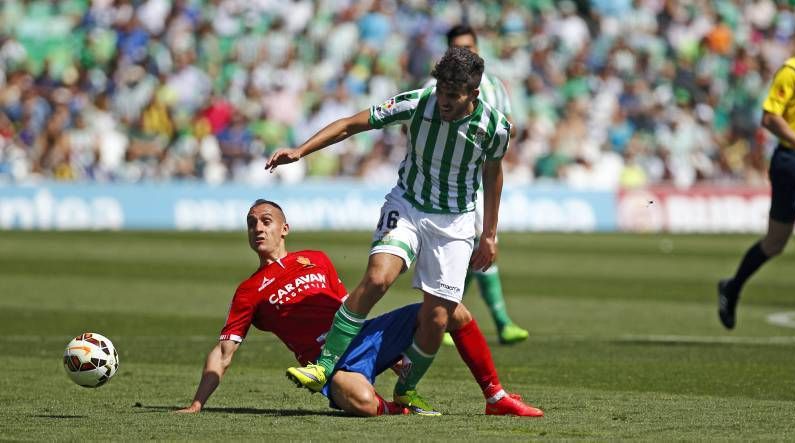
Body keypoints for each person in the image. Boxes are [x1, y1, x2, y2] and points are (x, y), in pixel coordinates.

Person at [267, 47, 513, 412]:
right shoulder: (417, 103)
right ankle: (323, 366)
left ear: (473, 95)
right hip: (408, 204)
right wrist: (302, 151)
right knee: (379, 278)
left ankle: (407, 388)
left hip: (455, 221)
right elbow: (352, 123)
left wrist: (489, 234)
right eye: (441, 91)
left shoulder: (495, 128)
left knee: (438, 316)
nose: (443, 101)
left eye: (453, 95)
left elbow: (493, 175)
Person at [176, 199, 543, 417]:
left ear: (284, 228)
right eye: (251, 223)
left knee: (450, 308)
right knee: (363, 403)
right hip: (330, 363)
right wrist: (197, 404)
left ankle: (495, 396)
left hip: (365, 336)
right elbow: (224, 352)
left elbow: (347, 305)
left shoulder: (315, 259)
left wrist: (393, 350)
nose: (258, 228)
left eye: (266, 221)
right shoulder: (249, 291)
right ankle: (399, 407)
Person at [435, 24, 529, 346]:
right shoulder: (433, 88)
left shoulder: (493, 85)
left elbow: (510, 125)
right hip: (445, 182)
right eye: (461, 48)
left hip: (478, 179)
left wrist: (497, 128)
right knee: (467, 248)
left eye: (471, 47)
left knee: (478, 248)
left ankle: (453, 317)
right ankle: (452, 317)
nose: (468, 53)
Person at [718, 50, 795, 329]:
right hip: (792, 161)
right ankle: (733, 286)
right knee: (775, 243)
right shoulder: (792, 72)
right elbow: (769, 118)